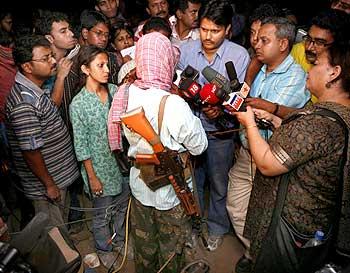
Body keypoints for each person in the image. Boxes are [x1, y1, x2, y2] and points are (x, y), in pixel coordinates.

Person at [231, 39, 350, 273]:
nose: (309, 69)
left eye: (316, 64)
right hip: (317, 223)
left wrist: (249, 123)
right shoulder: (339, 115)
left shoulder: (317, 124)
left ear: (334, 73)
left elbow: (267, 164)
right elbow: (308, 150)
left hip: (292, 228)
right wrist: (276, 121)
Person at [108, 32, 208, 272]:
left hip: (141, 183)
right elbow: (199, 145)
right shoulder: (173, 103)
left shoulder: (124, 94)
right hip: (171, 192)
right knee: (171, 250)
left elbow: (119, 137)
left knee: (145, 246)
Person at [226, 16, 310, 272]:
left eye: (264, 40)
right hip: (246, 152)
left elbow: (268, 115)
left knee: (265, 215)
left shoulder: (295, 76)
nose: (256, 43)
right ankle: (254, 250)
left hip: (271, 157)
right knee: (236, 204)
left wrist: (250, 107)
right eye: (256, 38)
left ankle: (260, 259)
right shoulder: (260, 69)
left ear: (283, 44)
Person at [178, 0, 250, 251]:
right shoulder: (185, 51)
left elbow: (239, 96)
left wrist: (220, 108)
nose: (207, 37)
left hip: (221, 131)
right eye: (204, 29)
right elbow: (179, 85)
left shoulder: (239, 56)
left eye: (215, 31)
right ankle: (193, 226)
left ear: (228, 29)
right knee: (192, 182)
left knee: (219, 182)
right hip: (190, 132)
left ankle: (218, 227)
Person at [5, 35, 79, 228]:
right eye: (45, 58)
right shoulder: (24, 105)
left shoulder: (33, 89)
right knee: (55, 234)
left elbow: (50, 109)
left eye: (51, 56)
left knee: (60, 226)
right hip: (47, 185)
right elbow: (31, 152)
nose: (53, 61)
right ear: (27, 67)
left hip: (57, 176)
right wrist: (49, 185)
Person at [69, 45, 128, 269]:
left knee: (123, 206)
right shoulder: (79, 104)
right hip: (99, 169)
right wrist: (92, 177)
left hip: (122, 164)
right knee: (102, 214)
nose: (106, 70)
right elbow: (81, 145)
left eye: (107, 65)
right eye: (100, 65)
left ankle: (121, 239)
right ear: (85, 69)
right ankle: (104, 249)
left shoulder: (115, 91)